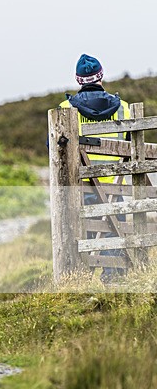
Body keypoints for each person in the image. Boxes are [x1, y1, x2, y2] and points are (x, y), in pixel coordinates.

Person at [59, 54, 130, 281]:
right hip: (115, 184)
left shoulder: (64, 109)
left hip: (81, 185)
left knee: (84, 233)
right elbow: (130, 145)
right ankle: (114, 276)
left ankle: (81, 277)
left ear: (79, 80)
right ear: (101, 76)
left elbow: (55, 146)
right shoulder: (124, 109)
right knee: (113, 229)